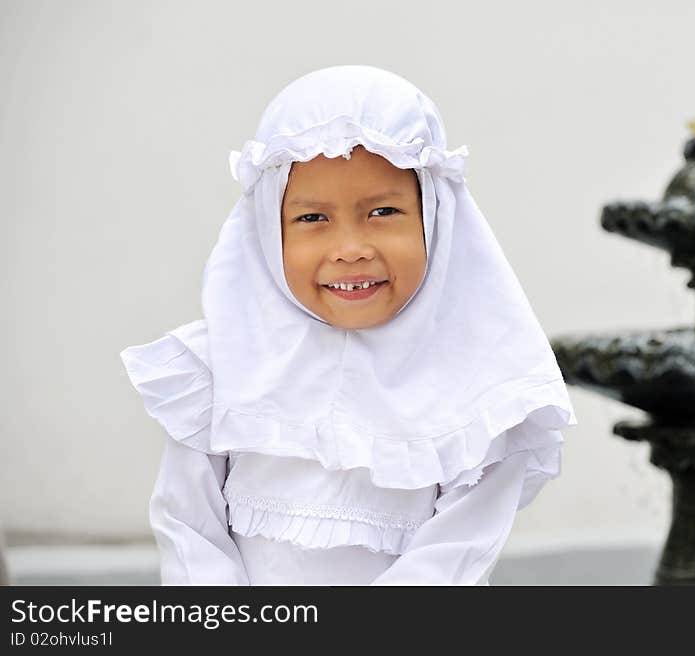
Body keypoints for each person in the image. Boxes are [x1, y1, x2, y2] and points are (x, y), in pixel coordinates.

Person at [120, 65, 577, 585]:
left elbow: (453, 558)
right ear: (269, 229)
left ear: (434, 215)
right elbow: (190, 534)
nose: (351, 250)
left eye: (382, 211)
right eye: (312, 219)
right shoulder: (219, 366)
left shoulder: (481, 389)